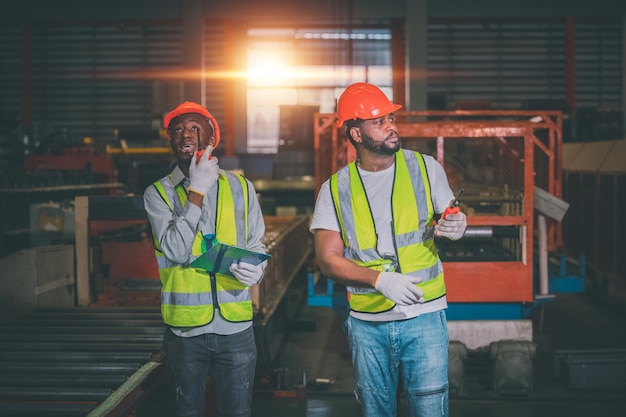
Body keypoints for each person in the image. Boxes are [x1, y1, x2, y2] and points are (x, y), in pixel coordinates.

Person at [310, 83, 467, 417]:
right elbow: (327, 260)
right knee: (376, 409)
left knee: (430, 408)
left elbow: (448, 215)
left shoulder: (425, 168)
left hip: (425, 315)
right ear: (355, 133)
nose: (391, 126)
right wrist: (379, 280)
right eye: (379, 121)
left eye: (391, 118)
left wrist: (457, 225)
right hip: (368, 324)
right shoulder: (335, 189)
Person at [143, 101, 267, 417]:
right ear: (170, 141)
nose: (186, 135)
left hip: (236, 326)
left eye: (195, 128)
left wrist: (258, 270)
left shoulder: (241, 187)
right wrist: (195, 191)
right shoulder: (157, 194)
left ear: (212, 138)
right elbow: (175, 249)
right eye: (178, 130)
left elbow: (256, 243)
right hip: (185, 331)